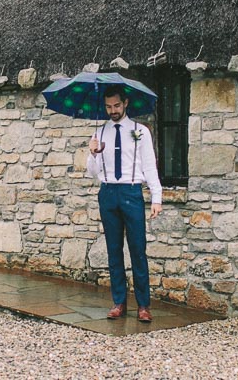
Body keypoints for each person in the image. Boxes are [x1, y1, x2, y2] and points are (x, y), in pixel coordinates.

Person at [87, 85, 162, 323]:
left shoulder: (139, 131)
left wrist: (156, 197)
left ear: (126, 103)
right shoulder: (99, 133)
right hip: (108, 193)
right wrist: (93, 154)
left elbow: (149, 165)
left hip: (132, 192)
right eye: (108, 107)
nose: (113, 111)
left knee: (138, 250)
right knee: (113, 250)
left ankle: (143, 305)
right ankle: (119, 302)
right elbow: (92, 173)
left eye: (117, 106)